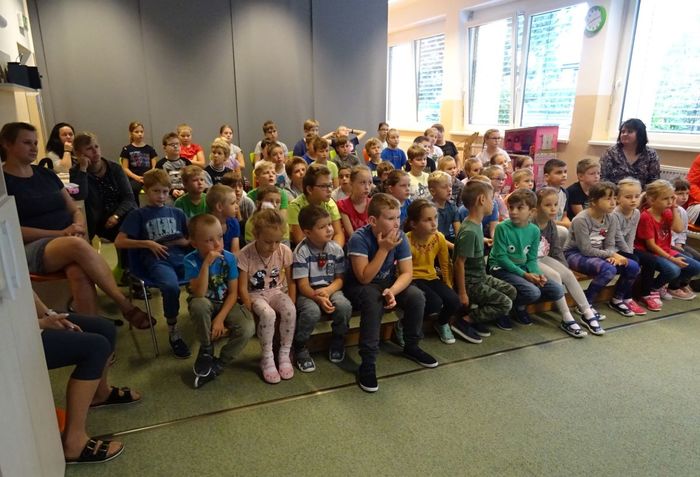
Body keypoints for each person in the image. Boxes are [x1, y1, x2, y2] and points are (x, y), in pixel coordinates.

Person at [1, 122, 148, 326]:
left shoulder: (46, 174)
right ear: (7, 144)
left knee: (78, 271)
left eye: (35, 142)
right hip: (30, 248)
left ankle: (92, 333)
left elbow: (74, 209)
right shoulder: (3, 183)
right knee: (77, 245)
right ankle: (124, 304)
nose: (34, 147)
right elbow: (9, 230)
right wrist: (61, 234)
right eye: (27, 143)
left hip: (66, 241)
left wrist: (78, 225)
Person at [345, 193, 438, 393]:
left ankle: (412, 346)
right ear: (373, 221)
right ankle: (368, 362)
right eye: (390, 218)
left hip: (386, 283)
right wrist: (384, 249)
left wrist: (392, 291)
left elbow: (407, 273)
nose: (396, 223)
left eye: (398, 217)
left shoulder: (399, 236)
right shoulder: (359, 238)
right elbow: (364, 278)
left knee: (416, 296)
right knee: (373, 301)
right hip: (359, 286)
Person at [34, 292, 140, 464]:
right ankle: (73, 442)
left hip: (27, 321)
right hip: (14, 337)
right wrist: (41, 323)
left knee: (105, 328)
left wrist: (49, 314)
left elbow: (25, 290)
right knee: (96, 347)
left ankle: (101, 393)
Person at [115, 169, 191, 357]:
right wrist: (147, 243)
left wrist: (184, 242)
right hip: (156, 260)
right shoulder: (138, 214)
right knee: (171, 287)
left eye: (165, 191)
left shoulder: (177, 212)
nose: (161, 196)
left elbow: (190, 239)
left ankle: (207, 314)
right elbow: (120, 242)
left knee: (209, 273)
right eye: (156, 191)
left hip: (179, 256)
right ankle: (173, 329)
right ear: (146, 191)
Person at [185, 214, 255, 388]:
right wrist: (206, 265)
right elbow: (199, 293)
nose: (217, 244)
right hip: (205, 301)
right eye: (209, 240)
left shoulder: (229, 258)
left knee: (247, 328)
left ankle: (220, 363)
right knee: (199, 305)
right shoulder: (190, 261)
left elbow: (233, 293)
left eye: (220, 237)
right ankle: (206, 348)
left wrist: (220, 319)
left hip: (226, 302)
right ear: (195, 243)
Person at [564, 182, 641, 333]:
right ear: (593, 201)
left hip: (599, 253)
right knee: (609, 270)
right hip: (574, 254)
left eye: (614, 198)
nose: (613, 202)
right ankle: (586, 304)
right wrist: (611, 255)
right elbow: (586, 250)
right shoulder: (581, 219)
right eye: (608, 199)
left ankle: (617, 299)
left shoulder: (611, 218)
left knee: (633, 266)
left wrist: (612, 254)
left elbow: (610, 244)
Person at [488, 189, 566, 327]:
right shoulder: (502, 228)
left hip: (521, 268)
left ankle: (517, 305)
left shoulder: (534, 230)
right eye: (511, 207)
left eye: (520, 208)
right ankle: (504, 308)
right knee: (532, 292)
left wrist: (538, 275)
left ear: (531, 211)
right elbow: (501, 258)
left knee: (557, 290)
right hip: (500, 268)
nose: (513, 212)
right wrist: (525, 275)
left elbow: (531, 259)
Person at [238, 209, 296, 384]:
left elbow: (291, 281)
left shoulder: (284, 251)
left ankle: (284, 354)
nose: (273, 247)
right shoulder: (245, 254)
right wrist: (249, 307)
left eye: (277, 241)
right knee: (268, 314)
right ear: (256, 235)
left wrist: (292, 300)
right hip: (255, 294)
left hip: (276, 291)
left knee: (290, 310)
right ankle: (267, 357)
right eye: (268, 242)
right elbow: (242, 287)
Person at [292, 205, 352, 372]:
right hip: (309, 293)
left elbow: (340, 279)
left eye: (330, 224)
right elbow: (302, 285)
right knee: (312, 312)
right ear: (308, 232)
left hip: (331, 288)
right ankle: (300, 346)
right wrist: (317, 297)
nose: (329, 229)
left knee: (344, 306)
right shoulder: (301, 251)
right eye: (322, 227)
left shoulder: (336, 249)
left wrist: (328, 291)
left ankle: (338, 340)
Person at [453, 180, 515, 332]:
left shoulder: (475, 224)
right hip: (471, 283)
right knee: (505, 303)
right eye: (491, 198)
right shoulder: (469, 231)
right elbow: (459, 263)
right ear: (481, 199)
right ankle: (465, 321)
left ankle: (479, 315)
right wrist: (462, 293)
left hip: (480, 276)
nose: (494, 203)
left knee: (511, 291)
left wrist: (483, 240)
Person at [534, 188, 595, 338]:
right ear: (537, 207)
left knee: (567, 273)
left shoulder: (551, 224)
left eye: (556, 204)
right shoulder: (530, 223)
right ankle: (566, 317)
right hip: (530, 260)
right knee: (555, 275)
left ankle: (586, 311)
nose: (553, 209)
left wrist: (565, 268)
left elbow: (556, 250)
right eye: (548, 205)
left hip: (542, 257)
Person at [404, 199, 462, 344]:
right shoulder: (406, 240)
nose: (434, 223)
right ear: (414, 224)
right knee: (434, 302)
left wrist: (448, 285)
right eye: (427, 220)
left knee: (454, 300)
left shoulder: (438, 237)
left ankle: (441, 323)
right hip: (412, 278)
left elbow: (445, 264)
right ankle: (404, 324)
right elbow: (401, 268)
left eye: (435, 218)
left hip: (430, 276)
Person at [634, 179, 700, 301]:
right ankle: (653, 288)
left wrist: (674, 208)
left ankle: (666, 285)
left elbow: (678, 229)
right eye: (665, 199)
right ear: (652, 200)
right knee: (673, 270)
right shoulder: (646, 217)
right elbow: (651, 245)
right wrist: (672, 259)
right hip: (651, 252)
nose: (670, 201)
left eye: (671, 198)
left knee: (695, 267)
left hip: (665, 250)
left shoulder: (667, 212)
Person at [70, 132, 137, 241]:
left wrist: (116, 216)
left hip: (122, 215)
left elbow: (129, 197)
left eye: (96, 146)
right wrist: (83, 169)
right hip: (98, 222)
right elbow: (80, 196)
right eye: (89, 149)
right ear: (78, 154)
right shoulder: (76, 172)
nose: (95, 151)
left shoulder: (115, 168)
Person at [612, 178, 656, 312]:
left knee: (650, 259)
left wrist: (630, 250)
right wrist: (629, 253)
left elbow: (632, 233)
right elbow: (618, 237)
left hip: (627, 247)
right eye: (628, 197)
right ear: (618, 198)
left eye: (637, 196)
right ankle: (626, 297)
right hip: (613, 248)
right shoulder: (614, 214)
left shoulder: (636, 213)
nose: (633, 200)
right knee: (634, 261)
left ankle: (645, 293)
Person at [288, 164, 344, 247]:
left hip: (329, 247)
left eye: (330, 185)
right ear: (309, 189)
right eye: (324, 186)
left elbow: (338, 233)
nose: (329, 190)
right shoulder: (295, 206)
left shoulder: (330, 203)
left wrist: (334, 251)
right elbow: (300, 239)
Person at [600, 118, 660, 187]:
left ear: (640, 134)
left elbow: (654, 181)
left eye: (630, 131)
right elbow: (603, 177)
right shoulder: (611, 152)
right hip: (615, 192)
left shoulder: (650, 154)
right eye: (623, 132)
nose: (625, 134)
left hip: (641, 192)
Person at [119, 122, 157, 200]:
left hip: (149, 178)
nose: (140, 134)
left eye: (141, 132)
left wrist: (148, 177)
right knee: (132, 189)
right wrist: (137, 178)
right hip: (135, 178)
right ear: (131, 134)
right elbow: (125, 168)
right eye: (136, 132)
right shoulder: (127, 149)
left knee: (159, 187)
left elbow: (154, 166)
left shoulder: (150, 149)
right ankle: (135, 207)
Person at [338, 165, 372, 239]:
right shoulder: (343, 205)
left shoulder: (373, 203)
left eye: (370, 183)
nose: (367, 187)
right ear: (351, 183)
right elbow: (353, 236)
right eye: (362, 183)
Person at [205, 184, 241, 254]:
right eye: (233, 203)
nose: (237, 206)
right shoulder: (206, 226)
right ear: (219, 207)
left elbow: (235, 252)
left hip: (229, 259)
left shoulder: (234, 222)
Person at [155, 132, 191, 199]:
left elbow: (191, 179)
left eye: (177, 144)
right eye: (172, 144)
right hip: (167, 195)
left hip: (186, 193)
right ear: (164, 148)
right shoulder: (160, 164)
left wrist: (184, 190)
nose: (175, 146)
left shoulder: (186, 162)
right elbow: (159, 183)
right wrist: (171, 191)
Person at [671, 178, 700, 261]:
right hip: (668, 245)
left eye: (687, 193)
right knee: (689, 259)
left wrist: (679, 244)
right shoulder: (665, 210)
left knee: (697, 258)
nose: (684, 197)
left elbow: (683, 232)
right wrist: (675, 246)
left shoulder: (682, 211)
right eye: (680, 194)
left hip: (677, 243)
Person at [428, 170, 459, 245]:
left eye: (450, 186)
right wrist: (454, 247)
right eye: (444, 187)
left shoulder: (452, 206)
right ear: (433, 191)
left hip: (447, 239)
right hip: (432, 241)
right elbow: (434, 235)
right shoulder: (428, 209)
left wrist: (460, 244)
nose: (449, 189)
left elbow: (458, 231)